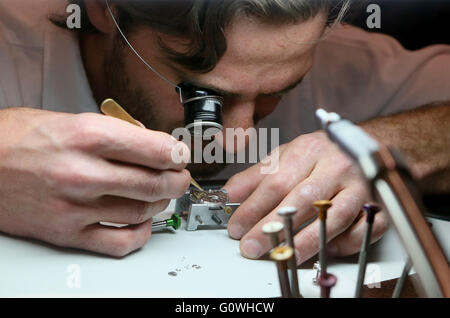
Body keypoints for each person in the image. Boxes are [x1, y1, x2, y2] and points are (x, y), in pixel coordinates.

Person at [0, 0, 449, 261]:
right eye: (203, 95)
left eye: (281, 90)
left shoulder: (344, 61)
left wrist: (387, 146)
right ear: (103, 9)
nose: (237, 139)